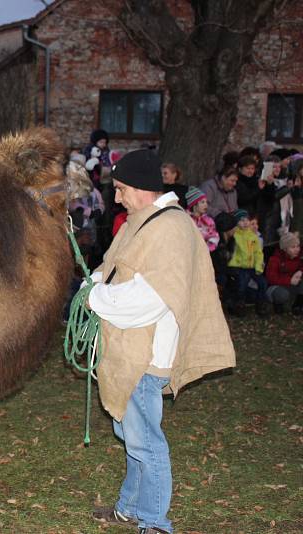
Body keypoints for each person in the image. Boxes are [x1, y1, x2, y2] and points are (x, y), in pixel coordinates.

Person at [88, 149, 235, 534]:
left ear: (142, 188)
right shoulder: (143, 221)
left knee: (146, 444)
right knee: (132, 434)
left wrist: (93, 296)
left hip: (145, 355)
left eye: (120, 189)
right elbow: (113, 267)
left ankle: (154, 523)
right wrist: (94, 280)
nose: (116, 197)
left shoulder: (168, 229)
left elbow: (148, 300)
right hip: (129, 350)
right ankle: (129, 508)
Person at [227, 209, 270, 316]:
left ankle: (260, 305)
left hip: (253, 267)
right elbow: (232, 251)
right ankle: (239, 305)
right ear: (236, 222)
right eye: (241, 220)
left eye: (247, 220)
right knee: (241, 286)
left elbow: (258, 253)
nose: (245, 222)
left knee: (262, 283)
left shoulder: (253, 236)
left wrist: (259, 266)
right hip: (240, 267)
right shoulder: (235, 235)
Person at [265, 232, 302, 314]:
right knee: (281, 294)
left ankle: (298, 305)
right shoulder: (275, 259)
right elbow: (271, 278)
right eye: (293, 247)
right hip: (275, 287)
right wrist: (289, 281)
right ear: (285, 249)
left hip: (291, 285)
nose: (297, 249)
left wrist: (300, 271)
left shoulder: (298, 256)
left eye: (298, 246)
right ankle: (278, 304)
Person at [185, 187, 219, 252]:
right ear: (194, 205)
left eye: (206, 202)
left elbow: (214, 236)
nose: (206, 205)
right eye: (202, 202)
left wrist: (207, 248)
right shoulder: (186, 219)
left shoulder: (208, 220)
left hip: (205, 254)